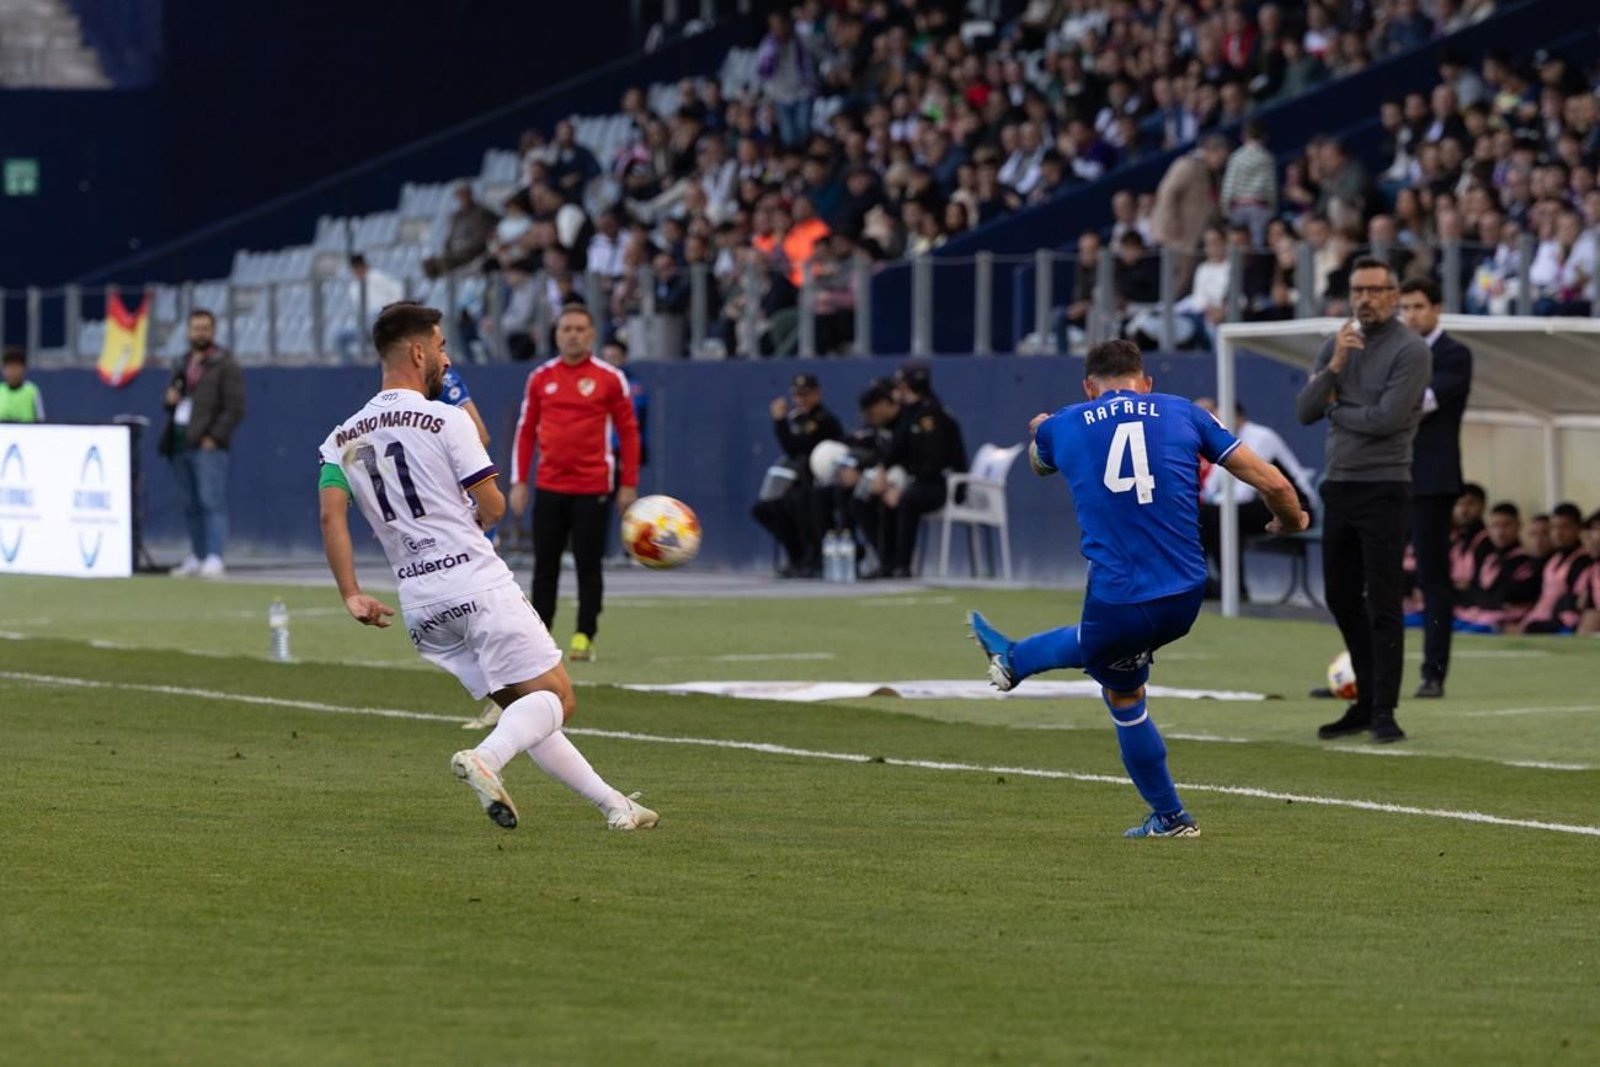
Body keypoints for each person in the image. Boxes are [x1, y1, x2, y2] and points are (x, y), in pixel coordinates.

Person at [316, 302, 655, 832]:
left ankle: (615, 804)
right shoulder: (446, 419)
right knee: (558, 700)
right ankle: (485, 760)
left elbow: (330, 517)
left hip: (421, 606)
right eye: (443, 346)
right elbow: (493, 506)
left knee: (528, 711)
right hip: (476, 585)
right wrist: (471, 510)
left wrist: (351, 594)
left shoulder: (341, 438)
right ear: (419, 351)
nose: (447, 360)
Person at [968, 339, 1307, 838]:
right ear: (1146, 382)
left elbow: (1041, 465)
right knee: (1123, 684)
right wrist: (1290, 519)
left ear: (1089, 388)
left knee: (1116, 682)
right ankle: (1168, 815)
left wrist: (1044, 431)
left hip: (1119, 598)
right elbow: (1274, 484)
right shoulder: (1185, 413)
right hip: (1188, 594)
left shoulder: (1065, 423)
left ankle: (1015, 661)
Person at [1296, 258, 1432, 743]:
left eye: (1376, 290)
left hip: (1384, 485)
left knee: (1384, 601)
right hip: (1340, 484)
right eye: (1359, 290)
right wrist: (1333, 369)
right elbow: (1306, 411)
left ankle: (1385, 712)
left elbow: (1387, 419)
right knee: (1339, 595)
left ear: (1393, 296)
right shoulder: (1336, 346)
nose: (1366, 299)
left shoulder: (1411, 350)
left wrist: (1338, 407)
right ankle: (1363, 702)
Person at [508, 306, 641, 662]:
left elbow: (629, 433)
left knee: (589, 564)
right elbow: (525, 432)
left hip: (593, 486)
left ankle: (585, 635)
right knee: (545, 566)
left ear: (592, 334)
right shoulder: (540, 377)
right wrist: (519, 481)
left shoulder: (610, 378)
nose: (573, 335)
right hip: (549, 485)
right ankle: (541, 637)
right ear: (556, 334)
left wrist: (628, 483)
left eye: (580, 329)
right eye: (566, 328)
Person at [1398, 278, 1473, 698]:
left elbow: (1415, 404)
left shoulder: (1454, 355)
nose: (1411, 315)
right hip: (1389, 476)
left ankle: (1433, 674)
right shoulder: (1395, 354)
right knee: (1377, 575)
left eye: (1418, 306)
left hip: (1431, 480)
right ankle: (1366, 674)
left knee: (1432, 579)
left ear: (1437, 308)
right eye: (1405, 308)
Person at [160, 309, 246, 579]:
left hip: (208, 444)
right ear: (188, 331)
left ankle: (214, 556)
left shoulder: (225, 364)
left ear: (213, 331)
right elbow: (173, 400)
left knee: (211, 501)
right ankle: (197, 555)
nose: (200, 333)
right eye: (196, 328)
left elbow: (235, 407)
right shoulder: (182, 362)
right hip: (180, 440)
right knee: (190, 503)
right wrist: (169, 399)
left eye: (205, 328)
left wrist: (215, 437)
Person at [1198, 402, 1314, 600]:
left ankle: (1235, 589)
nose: (1218, 423)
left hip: (1295, 506)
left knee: (1218, 515)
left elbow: (1244, 492)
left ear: (1239, 417)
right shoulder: (1225, 439)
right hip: (1257, 505)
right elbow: (1211, 487)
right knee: (1204, 514)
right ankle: (1206, 583)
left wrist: (1211, 502)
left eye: (1221, 417)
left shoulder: (1261, 437)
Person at [751, 374, 842, 578]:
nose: (801, 400)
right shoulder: (798, 420)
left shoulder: (824, 420)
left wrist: (780, 422)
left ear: (817, 394)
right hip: (798, 482)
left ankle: (811, 556)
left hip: (820, 484)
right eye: (797, 396)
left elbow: (796, 448)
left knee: (801, 501)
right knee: (766, 508)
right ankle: (797, 555)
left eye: (805, 395)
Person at [882, 364, 966, 578]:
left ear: (906, 386)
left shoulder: (931, 413)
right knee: (876, 497)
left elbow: (935, 462)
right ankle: (886, 561)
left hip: (942, 485)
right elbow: (896, 450)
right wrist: (883, 474)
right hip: (921, 480)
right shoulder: (910, 412)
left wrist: (904, 487)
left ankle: (903, 565)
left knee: (907, 499)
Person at [1453, 502, 1542, 633]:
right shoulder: (1490, 559)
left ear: (1518, 526)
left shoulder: (1525, 560)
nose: (1500, 532)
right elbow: (1475, 590)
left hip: (1505, 620)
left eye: (1506, 525)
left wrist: (1484, 597)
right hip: (1479, 614)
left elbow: (1506, 595)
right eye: (1495, 526)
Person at [1518, 503, 1594, 634]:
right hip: (1540, 619)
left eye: (1565, 527)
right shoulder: (1553, 560)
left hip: (1563, 624)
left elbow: (1576, 602)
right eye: (1553, 527)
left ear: (1578, 529)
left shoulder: (1582, 561)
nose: (1558, 533)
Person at [338, 255, 406, 364]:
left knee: (375, 318)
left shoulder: (377, 278)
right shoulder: (354, 286)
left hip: (384, 319)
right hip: (366, 323)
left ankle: (381, 363)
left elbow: (398, 293)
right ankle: (349, 368)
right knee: (339, 337)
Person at [0, 346, 44, 423]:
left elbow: (40, 419)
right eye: (9, 367)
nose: (13, 372)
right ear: (3, 370)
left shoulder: (32, 390)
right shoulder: (1, 390)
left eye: (16, 367)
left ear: (24, 369)